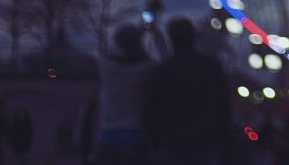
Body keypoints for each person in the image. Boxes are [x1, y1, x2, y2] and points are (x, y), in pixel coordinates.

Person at [142, 17, 233, 165]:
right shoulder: (212, 68)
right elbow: (223, 108)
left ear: (171, 39)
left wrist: (154, 139)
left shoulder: (161, 71)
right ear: (194, 37)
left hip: (170, 139)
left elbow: (151, 108)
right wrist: (224, 142)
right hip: (204, 139)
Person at [93, 24, 153, 164]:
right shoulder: (146, 68)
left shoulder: (105, 67)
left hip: (108, 134)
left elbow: (107, 54)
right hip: (136, 134)